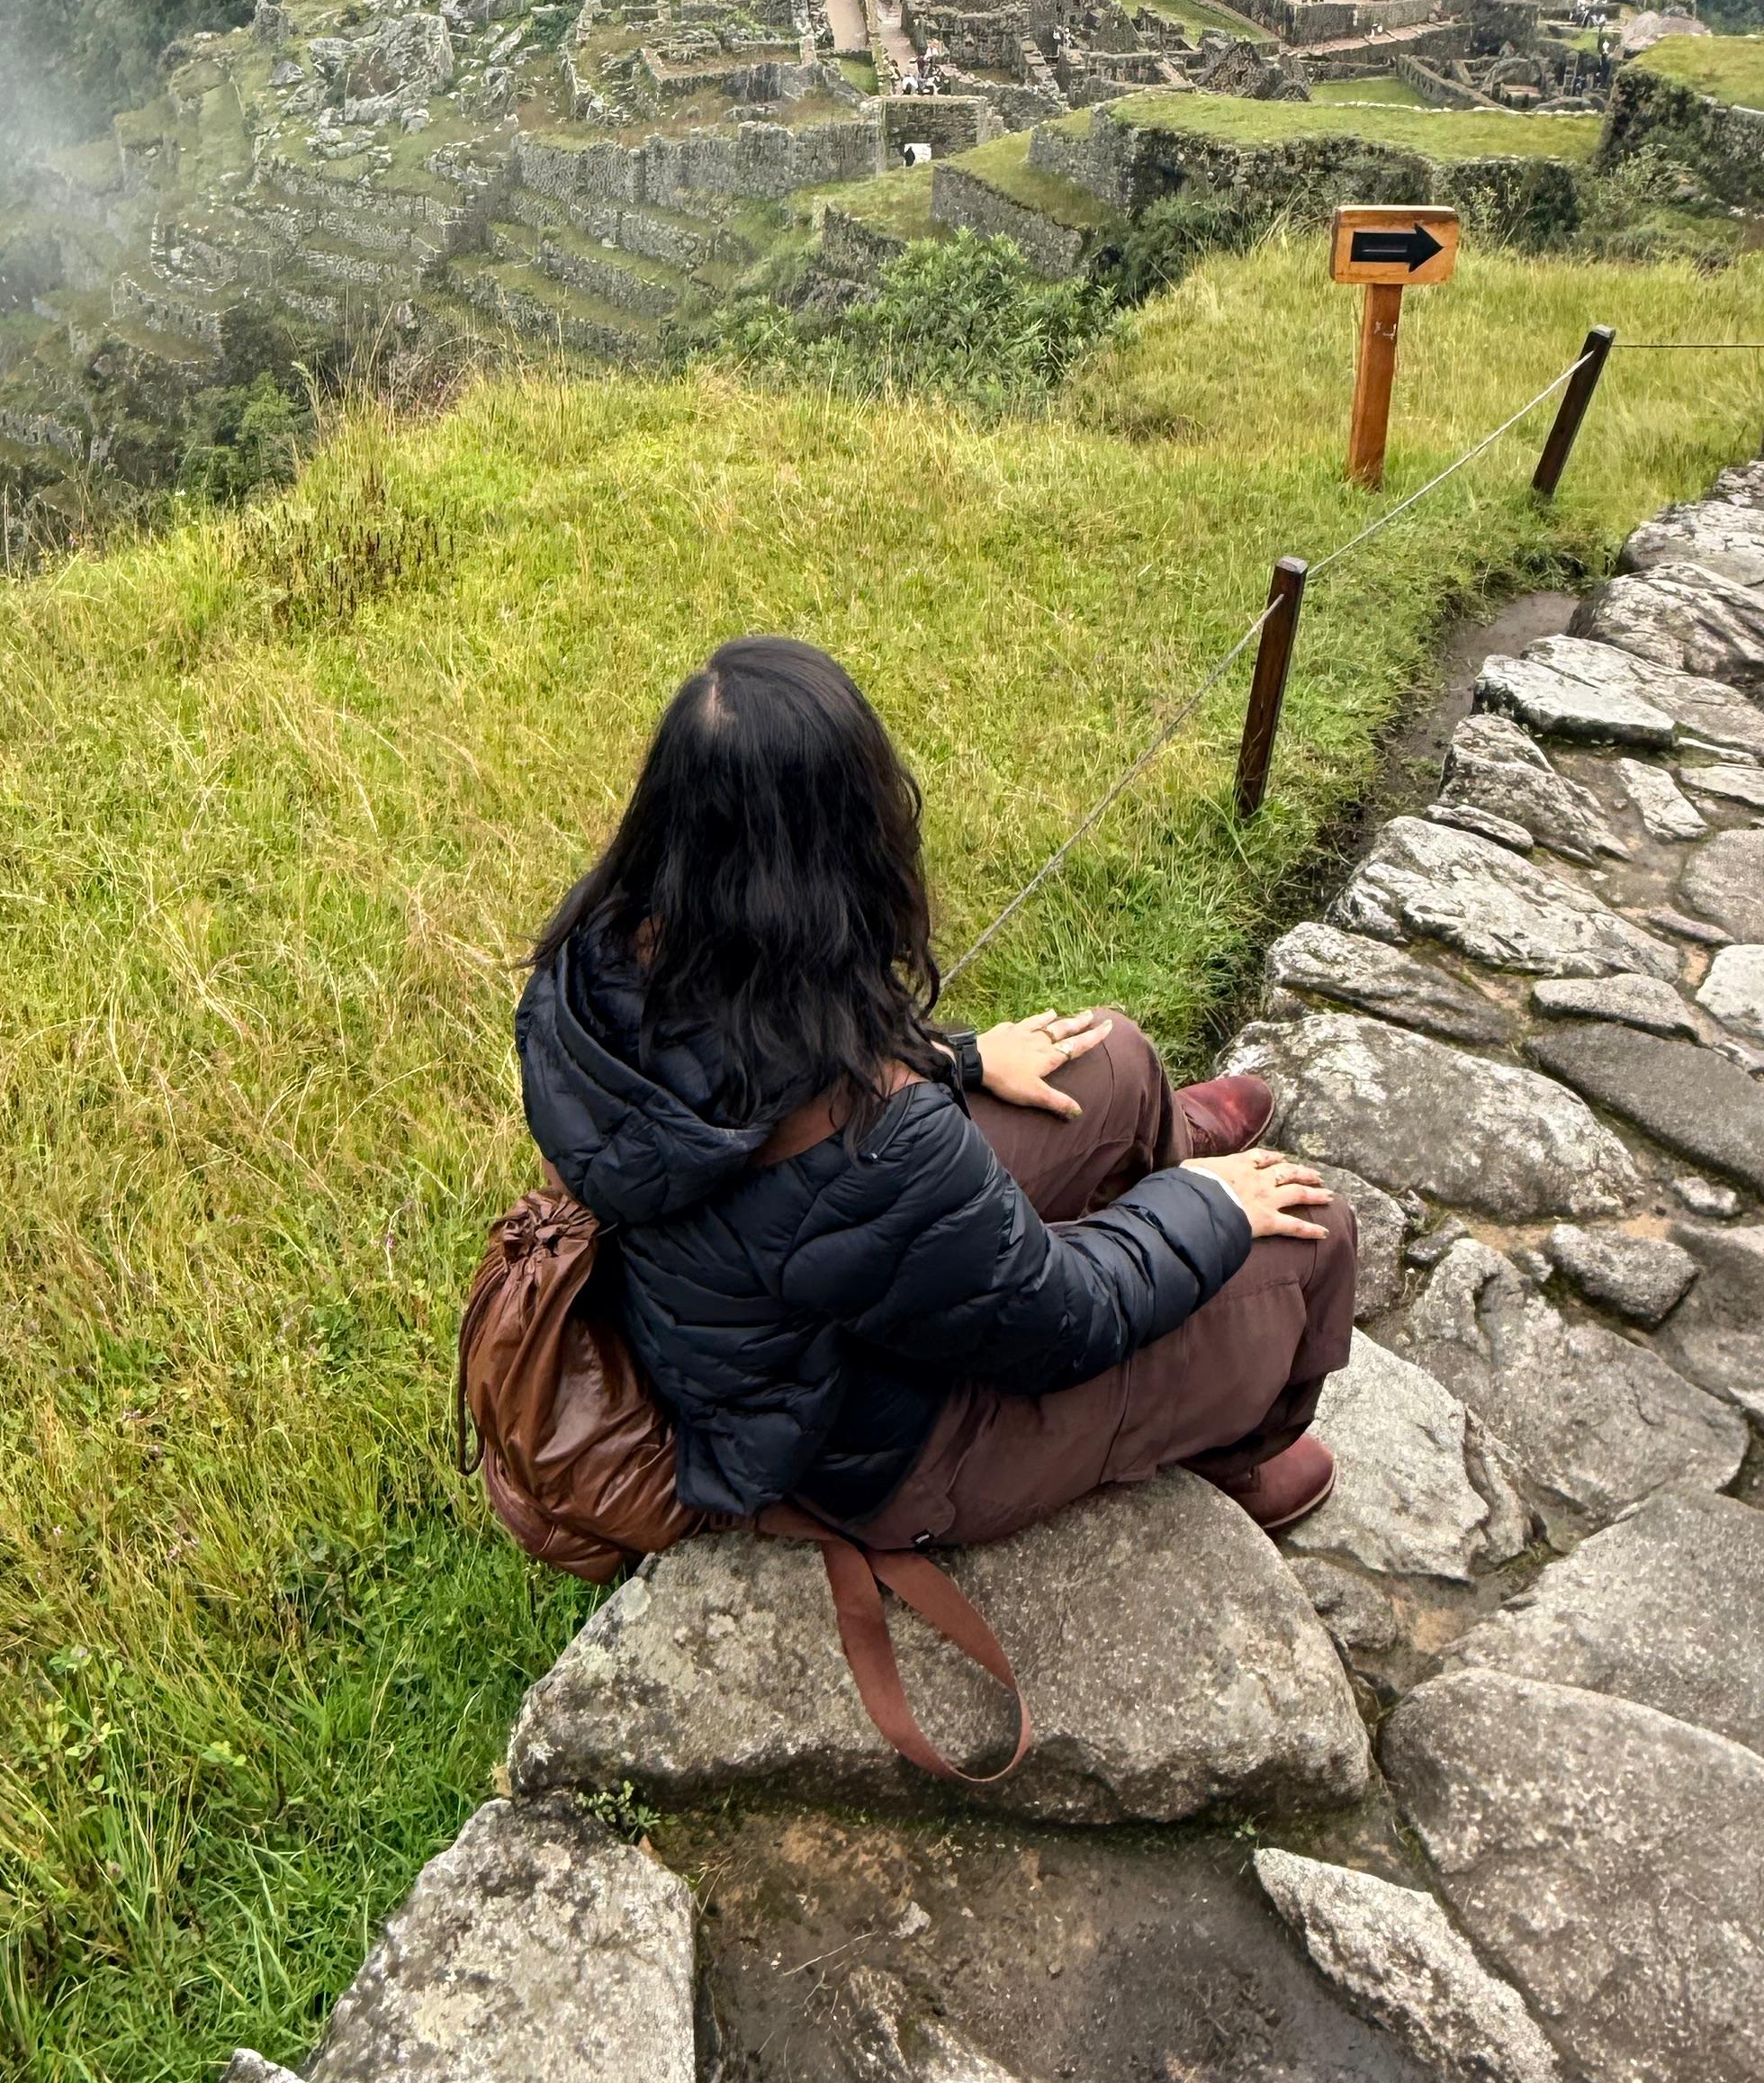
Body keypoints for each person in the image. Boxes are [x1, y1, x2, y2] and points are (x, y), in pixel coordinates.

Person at [515, 636, 1351, 1552]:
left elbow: (752, 1069)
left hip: (756, 1326)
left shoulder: (594, 954)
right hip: (880, 1453)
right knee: (1316, 1239)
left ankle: (1165, 1154)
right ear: (846, 853)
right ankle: (1235, 1443)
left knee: (1112, 1059)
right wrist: (1205, 1210)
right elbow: (1065, 1319)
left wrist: (958, 1058)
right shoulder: (887, 1146)